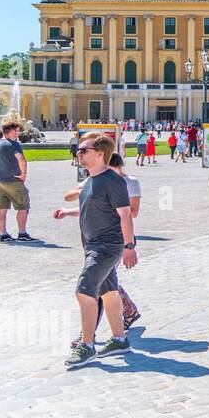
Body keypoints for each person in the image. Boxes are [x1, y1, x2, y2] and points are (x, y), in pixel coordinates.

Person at [56, 132, 138, 367]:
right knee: (109, 292)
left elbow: (125, 215)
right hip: (92, 244)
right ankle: (120, 339)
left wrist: (129, 246)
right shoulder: (90, 180)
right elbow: (94, 210)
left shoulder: (113, 180)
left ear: (101, 153)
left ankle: (88, 345)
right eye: (78, 150)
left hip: (107, 246)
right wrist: (67, 212)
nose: (78, 154)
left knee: (84, 290)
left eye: (84, 150)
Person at [0, 121, 35, 242]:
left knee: (2, 209)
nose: (19, 133)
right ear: (13, 131)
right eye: (18, 130)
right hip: (13, 181)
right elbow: (21, 159)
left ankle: (3, 235)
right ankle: (22, 233)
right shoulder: (14, 144)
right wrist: (23, 174)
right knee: (23, 207)